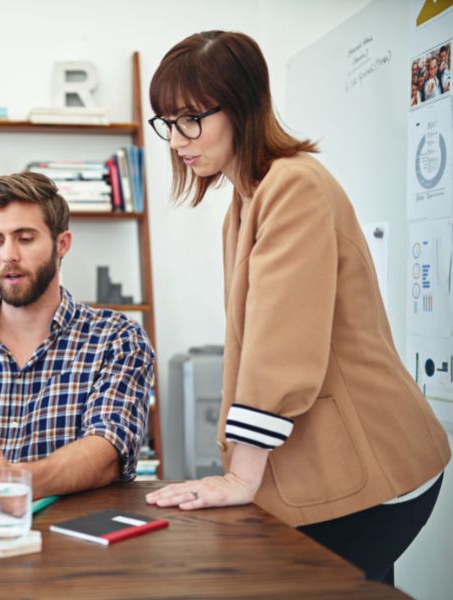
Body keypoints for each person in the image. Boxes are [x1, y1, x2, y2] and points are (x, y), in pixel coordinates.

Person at [144, 31, 450, 584]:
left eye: (191, 118)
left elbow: (279, 348)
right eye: (168, 121)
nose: (176, 140)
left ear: (241, 106)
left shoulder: (293, 187)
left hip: (371, 461)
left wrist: (240, 480)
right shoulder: (247, 200)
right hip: (334, 463)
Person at [0, 172, 155, 516]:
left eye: (24, 239)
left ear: (62, 244)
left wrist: (16, 480)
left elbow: (107, 453)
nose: (9, 255)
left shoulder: (117, 339)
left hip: (75, 543)